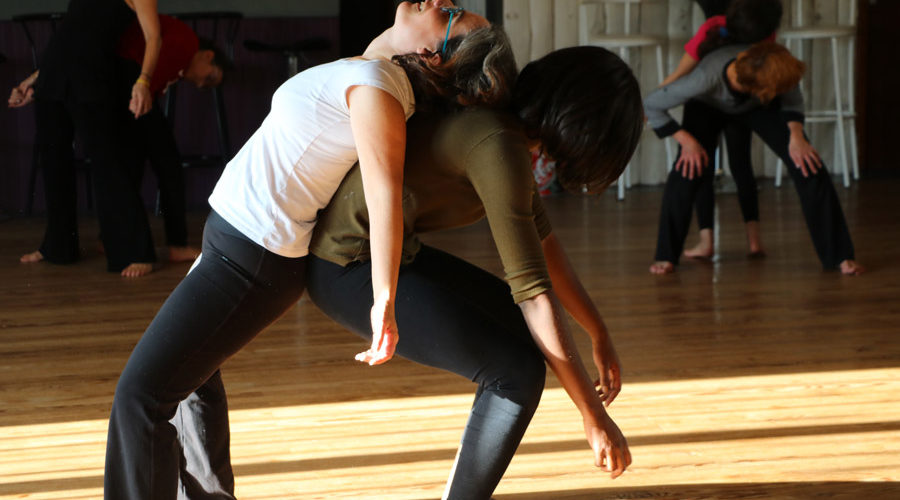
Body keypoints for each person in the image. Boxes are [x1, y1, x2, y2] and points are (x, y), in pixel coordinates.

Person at [104, 2, 518, 498]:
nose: (438, 1)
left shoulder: (380, 88)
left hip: (251, 255)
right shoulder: (374, 71)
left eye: (451, 13)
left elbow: (384, 196)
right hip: (236, 241)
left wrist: (383, 303)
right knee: (192, 384)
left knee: (140, 398)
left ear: (432, 54)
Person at [303, 45, 641, 498]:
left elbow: (545, 244)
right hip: (344, 267)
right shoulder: (497, 144)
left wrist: (597, 331)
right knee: (516, 373)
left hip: (394, 256)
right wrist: (593, 417)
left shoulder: (505, 135)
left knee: (521, 344)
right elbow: (533, 293)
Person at [12, 14, 230, 272]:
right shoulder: (186, 43)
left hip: (107, 79)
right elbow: (139, 68)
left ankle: (124, 240)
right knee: (158, 161)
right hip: (115, 81)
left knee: (133, 159)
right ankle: (168, 244)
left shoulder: (177, 54)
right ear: (207, 56)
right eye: (210, 77)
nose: (202, 83)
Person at [644, 41, 864, 275]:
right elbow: (652, 105)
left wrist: (797, 136)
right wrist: (687, 142)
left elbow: (792, 98)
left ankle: (840, 256)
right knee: (686, 170)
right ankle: (666, 256)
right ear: (760, 89)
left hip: (756, 105)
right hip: (707, 107)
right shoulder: (704, 78)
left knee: (808, 164)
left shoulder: (774, 66)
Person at [6, 0, 163, 276]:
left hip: (92, 78)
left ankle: (136, 252)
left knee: (108, 164)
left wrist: (144, 81)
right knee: (53, 163)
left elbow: (154, 37)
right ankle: (57, 247)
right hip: (54, 75)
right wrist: (34, 79)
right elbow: (72, 38)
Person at [660, 0, 783, 260]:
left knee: (714, 166)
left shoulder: (716, 26)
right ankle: (752, 241)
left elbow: (682, 71)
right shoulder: (742, 27)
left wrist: (660, 94)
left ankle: (714, 242)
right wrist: (660, 97)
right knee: (736, 164)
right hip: (721, 96)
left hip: (728, 95)